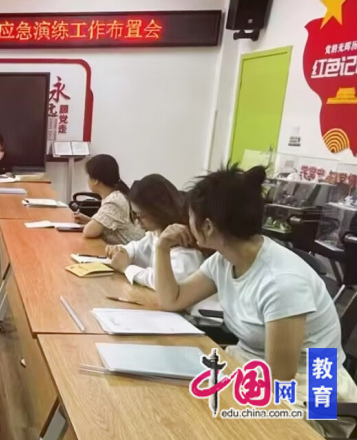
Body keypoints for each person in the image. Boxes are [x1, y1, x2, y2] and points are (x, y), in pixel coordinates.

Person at [153, 165, 357, 436]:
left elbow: (280, 380)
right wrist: (161, 248)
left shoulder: (281, 282)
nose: (185, 222)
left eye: (189, 216)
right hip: (252, 367)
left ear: (208, 226)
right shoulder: (223, 261)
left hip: (313, 386)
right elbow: (172, 299)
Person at [105, 174, 204, 290]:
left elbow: (165, 282)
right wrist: (121, 251)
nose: (137, 222)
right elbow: (137, 249)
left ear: (157, 210)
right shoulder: (157, 232)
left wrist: (126, 268)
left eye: (140, 216)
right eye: (134, 215)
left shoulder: (184, 241)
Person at [72, 154, 143, 244]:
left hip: (129, 251)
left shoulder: (114, 201)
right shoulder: (115, 195)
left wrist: (90, 224)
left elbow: (89, 232)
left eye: (89, 177)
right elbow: (110, 227)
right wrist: (89, 220)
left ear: (95, 180)